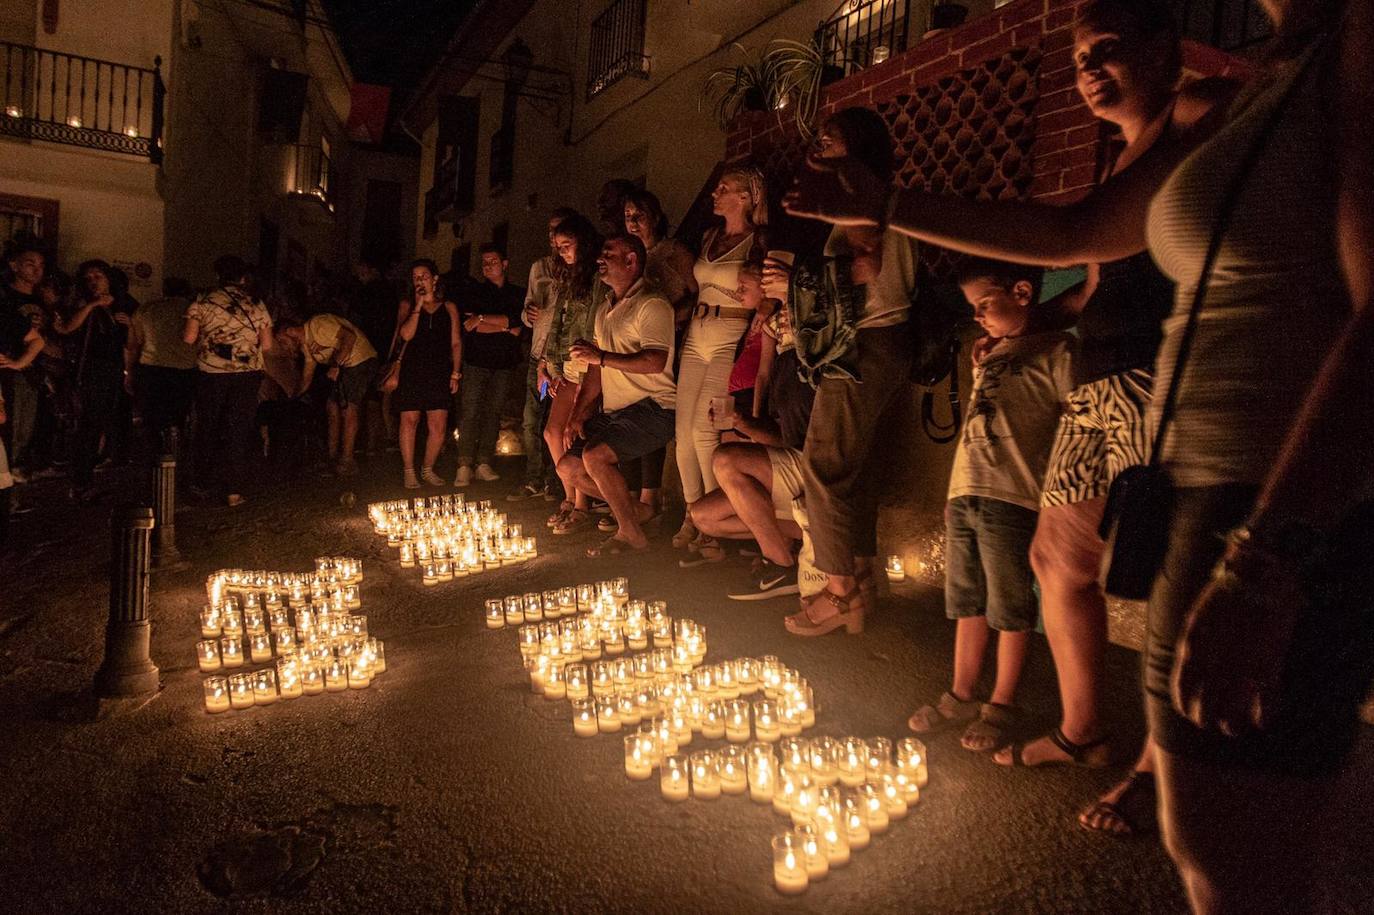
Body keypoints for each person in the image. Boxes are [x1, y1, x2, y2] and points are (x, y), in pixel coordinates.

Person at [782, 1, 1234, 831]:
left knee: (1171, 583)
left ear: (1165, 47)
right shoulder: (1123, 154)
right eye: (1078, 58)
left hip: (1159, 381)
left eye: (1108, 48)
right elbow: (1095, 281)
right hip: (1098, 384)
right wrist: (1031, 336)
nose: (1089, 69)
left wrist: (886, 203)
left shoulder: (1200, 112)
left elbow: (1069, 236)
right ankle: (1086, 727)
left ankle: (1157, 767)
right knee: (1056, 557)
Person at [907, 258, 1074, 752]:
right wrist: (954, 490)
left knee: (1010, 605)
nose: (978, 317)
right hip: (968, 491)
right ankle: (960, 692)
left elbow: (1073, 419)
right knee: (966, 602)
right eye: (973, 309)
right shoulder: (989, 353)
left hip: (1015, 493)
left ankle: (1001, 702)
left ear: (1022, 293)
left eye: (985, 305)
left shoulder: (1058, 351)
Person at [768, 108, 919, 637]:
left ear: (856, 147)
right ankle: (859, 593)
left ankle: (838, 591)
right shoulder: (869, 197)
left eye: (829, 138)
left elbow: (865, 268)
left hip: (865, 342)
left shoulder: (863, 201)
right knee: (853, 469)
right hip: (880, 342)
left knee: (825, 468)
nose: (819, 143)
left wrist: (795, 278)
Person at [690, 266, 814, 599]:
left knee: (726, 460)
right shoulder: (775, 362)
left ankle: (781, 564)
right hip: (788, 464)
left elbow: (793, 442)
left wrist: (746, 427)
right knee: (702, 516)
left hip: (810, 464)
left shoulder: (809, 359)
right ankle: (801, 538)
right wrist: (745, 423)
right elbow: (777, 434)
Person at [558, 234, 676, 557]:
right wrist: (577, 415)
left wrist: (602, 357)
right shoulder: (605, 309)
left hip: (654, 408)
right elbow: (596, 372)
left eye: (608, 252)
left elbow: (656, 361)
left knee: (594, 456)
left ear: (631, 261)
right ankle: (636, 511)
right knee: (568, 467)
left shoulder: (652, 304)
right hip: (617, 413)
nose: (600, 257)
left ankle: (632, 534)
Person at [673, 165, 768, 555]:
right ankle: (690, 514)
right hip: (698, 332)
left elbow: (762, 290)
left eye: (723, 188)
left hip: (730, 334)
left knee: (704, 431)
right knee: (682, 436)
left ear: (745, 197)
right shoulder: (710, 236)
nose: (714, 193)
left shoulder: (757, 240)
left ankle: (712, 521)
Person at [618, 188, 699, 531]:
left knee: (657, 415)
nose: (633, 223)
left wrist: (673, 315)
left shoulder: (673, 252)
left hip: (669, 344)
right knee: (629, 412)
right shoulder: (628, 257)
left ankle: (661, 501)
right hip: (633, 347)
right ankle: (634, 500)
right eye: (627, 217)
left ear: (654, 216)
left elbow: (699, 293)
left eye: (639, 215)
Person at [183, 255, 275, 507]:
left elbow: (189, 338)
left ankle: (201, 484)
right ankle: (233, 491)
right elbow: (267, 344)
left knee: (207, 427)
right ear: (243, 278)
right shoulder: (257, 304)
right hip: (246, 375)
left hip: (211, 373)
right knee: (238, 429)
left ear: (217, 276)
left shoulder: (202, 301)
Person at [540, 214, 605, 535]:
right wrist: (550, 364)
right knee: (552, 432)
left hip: (585, 366)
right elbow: (557, 323)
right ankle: (569, 496)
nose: (563, 252)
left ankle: (582, 504)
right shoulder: (568, 278)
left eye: (567, 245)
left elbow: (594, 324)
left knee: (570, 432)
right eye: (558, 247)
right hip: (565, 366)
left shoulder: (596, 278)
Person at [511, 207, 577, 501]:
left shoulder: (576, 269)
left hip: (563, 358)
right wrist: (528, 313)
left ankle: (556, 481)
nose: (553, 236)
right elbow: (527, 312)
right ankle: (533, 478)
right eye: (551, 231)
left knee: (556, 422)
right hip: (539, 354)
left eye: (560, 229)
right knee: (530, 419)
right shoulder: (539, 268)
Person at [56, 260, 136, 501]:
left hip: (113, 370)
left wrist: (130, 325)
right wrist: (92, 305)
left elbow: (131, 343)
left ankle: (89, 474)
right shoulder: (82, 303)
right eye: (89, 278)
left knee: (102, 423)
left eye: (98, 276)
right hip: (90, 371)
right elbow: (67, 328)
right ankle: (81, 482)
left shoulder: (123, 303)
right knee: (88, 426)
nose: (93, 281)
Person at [454, 244, 524, 487]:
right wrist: (503, 325)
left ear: (504, 264)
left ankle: (484, 462)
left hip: (504, 363)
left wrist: (484, 318)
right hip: (476, 361)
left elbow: (518, 326)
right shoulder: (474, 291)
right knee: (470, 412)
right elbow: (471, 326)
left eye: (493, 261)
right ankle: (464, 464)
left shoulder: (517, 293)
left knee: (494, 413)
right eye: (484, 262)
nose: (487, 266)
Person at [276, 313, 379, 476]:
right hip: (344, 366)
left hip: (359, 360)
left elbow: (349, 337)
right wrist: (294, 397)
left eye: (282, 342)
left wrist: (336, 365)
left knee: (348, 407)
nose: (284, 347)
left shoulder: (317, 325)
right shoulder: (307, 345)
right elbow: (308, 374)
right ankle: (332, 457)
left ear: (290, 331)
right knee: (331, 407)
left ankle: (347, 460)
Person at [393, 259, 462, 489]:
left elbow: (455, 342)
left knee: (438, 425)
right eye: (415, 277)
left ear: (434, 279)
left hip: (439, 370)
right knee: (410, 420)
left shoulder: (449, 307)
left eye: (423, 276)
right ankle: (408, 471)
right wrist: (418, 306)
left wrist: (455, 373)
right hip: (413, 370)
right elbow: (405, 335)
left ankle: (428, 468)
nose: (419, 280)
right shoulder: (408, 305)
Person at [125, 277, 198, 458]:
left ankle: (154, 455)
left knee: (151, 418)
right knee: (178, 415)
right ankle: (174, 453)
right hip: (184, 369)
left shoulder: (146, 309)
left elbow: (133, 344)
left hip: (151, 368)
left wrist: (128, 371)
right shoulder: (194, 310)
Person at [0, 240, 47, 482]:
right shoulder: (6, 296)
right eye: (30, 264)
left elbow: (40, 339)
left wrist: (20, 361)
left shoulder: (41, 301)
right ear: (14, 265)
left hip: (25, 372)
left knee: (19, 428)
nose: (37, 270)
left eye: (40, 264)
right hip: (12, 371)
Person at [349, 257, 399, 455]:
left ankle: (364, 442)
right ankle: (372, 443)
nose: (359, 276)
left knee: (366, 395)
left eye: (361, 271)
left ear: (371, 269)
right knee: (376, 396)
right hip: (383, 347)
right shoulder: (389, 292)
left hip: (365, 348)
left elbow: (355, 318)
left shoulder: (366, 293)